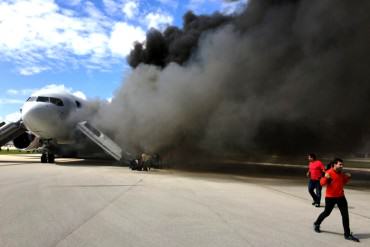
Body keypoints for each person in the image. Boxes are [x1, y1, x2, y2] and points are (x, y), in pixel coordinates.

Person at [313, 158, 360, 242]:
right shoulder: (329, 172)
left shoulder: (341, 173)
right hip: (330, 197)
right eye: (340, 164)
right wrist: (325, 177)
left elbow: (342, 182)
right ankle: (317, 223)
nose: (342, 166)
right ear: (334, 165)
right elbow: (322, 183)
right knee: (326, 213)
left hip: (341, 197)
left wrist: (347, 177)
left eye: (342, 164)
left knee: (345, 215)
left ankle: (347, 234)